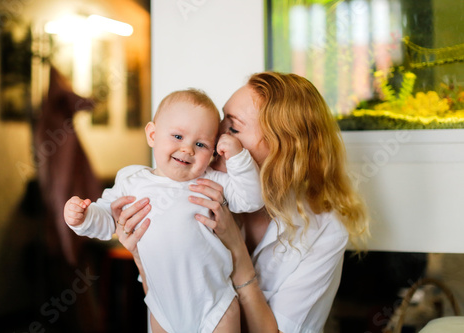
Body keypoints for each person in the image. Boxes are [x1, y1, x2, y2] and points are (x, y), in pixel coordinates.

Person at [112, 72, 370, 332]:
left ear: (283, 149)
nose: (213, 137)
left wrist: (236, 251)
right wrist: (142, 257)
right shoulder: (189, 188)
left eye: (233, 128)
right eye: (222, 121)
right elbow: (169, 303)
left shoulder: (324, 230)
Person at [63, 89, 264, 333]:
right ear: (153, 134)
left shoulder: (213, 181)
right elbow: (107, 218)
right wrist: (83, 217)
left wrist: (238, 157)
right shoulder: (132, 180)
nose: (188, 149)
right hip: (162, 307)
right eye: (178, 136)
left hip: (214, 304)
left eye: (201, 144)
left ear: (212, 152)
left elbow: (251, 199)